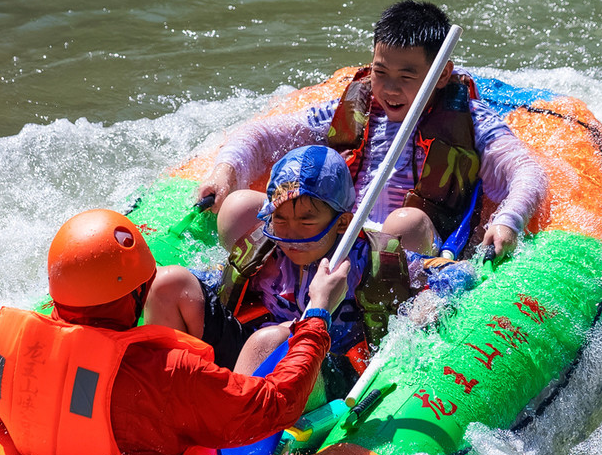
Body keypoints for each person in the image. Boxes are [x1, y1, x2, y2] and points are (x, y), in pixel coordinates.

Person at [0, 208, 335, 455]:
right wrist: (317, 317)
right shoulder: (166, 375)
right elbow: (275, 404)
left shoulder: (7, 342)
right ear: (137, 293)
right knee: (271, 341)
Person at [196, 0, 547, 258]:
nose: (390, 89)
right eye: (381, 73)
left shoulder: (473, 120)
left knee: (404, 223)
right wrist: (225, 172)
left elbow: (526, 172)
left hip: (413, 249)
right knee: (240, 207)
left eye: (407, 77)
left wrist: (509, 221)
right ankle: (264, 287)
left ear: (441, 74)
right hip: (338, 232)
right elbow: (264, 135)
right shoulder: (356, 108)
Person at [146, 145, 413, 371]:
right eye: (280, 219)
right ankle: (168, 396)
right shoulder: (268, 253)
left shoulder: (369, 260)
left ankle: (233, 423)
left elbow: (431, 281)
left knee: (273, 340)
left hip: (329, 369)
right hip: (255, 354)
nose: (290, 236)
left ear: (342, 223)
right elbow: (219, 288)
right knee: (169, 283)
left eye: (306, 222)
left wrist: (429, 301)